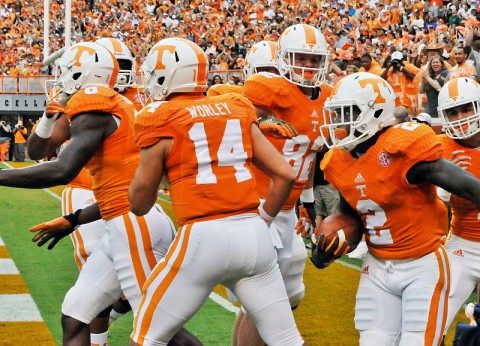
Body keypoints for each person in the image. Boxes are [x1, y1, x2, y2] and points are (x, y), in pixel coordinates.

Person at [0, 42, 199, 346]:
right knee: (76, 313)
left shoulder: (94, 104)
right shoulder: (112, 105)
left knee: (158, 327)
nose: (60, 77)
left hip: (134, 225)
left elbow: (61, 169)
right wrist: (74, 218)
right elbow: (117, 187)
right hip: (123, 219)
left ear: (82, 73)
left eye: (65, 71)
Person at [129, 37, 304, 346]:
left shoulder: (159, 117)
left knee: (148, 337)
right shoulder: (237, 107)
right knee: (287, 340)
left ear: (164, 74)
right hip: (253, 236)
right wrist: (263, 218)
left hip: (202, 236)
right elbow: (286, 174)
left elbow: (140, 204)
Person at [315, 71, 480, 345]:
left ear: (375, 112)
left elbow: (472, 188)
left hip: (422, 263)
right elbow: (351, 217)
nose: (339, 122)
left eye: (348, 113)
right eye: (337, 113)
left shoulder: (402, 147)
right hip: (377, 266)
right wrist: (329, 250)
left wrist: (444, 195)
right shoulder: (339, 161)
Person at [232, 23, 332, 346]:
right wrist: (262, 122)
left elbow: (311, 155)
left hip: (288, 208)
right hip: (260, 203)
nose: (308, 67)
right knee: (264, 299)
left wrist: (307, 204)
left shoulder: (328, 98)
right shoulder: (270, 89)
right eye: (301, 58)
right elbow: (230, 115)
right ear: (286, 58)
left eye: (315, 60)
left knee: (272, 297)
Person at [436, 77, 480, 340]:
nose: (461, 116)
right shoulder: (440, 147)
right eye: (453, 112)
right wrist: (444, 182)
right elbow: (429, 209)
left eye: (466, 108)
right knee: (433, 321)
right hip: (463, 245)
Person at [381, 51, 421, 115]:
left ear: (402, 60)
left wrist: (401, 68)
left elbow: (415, 77)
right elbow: (381, 79)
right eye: (394, 61)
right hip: (395, 104)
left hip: (409, 104)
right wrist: (389, 67)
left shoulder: (409, 67)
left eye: (398, 60)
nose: (396, 63)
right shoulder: (390, 70)